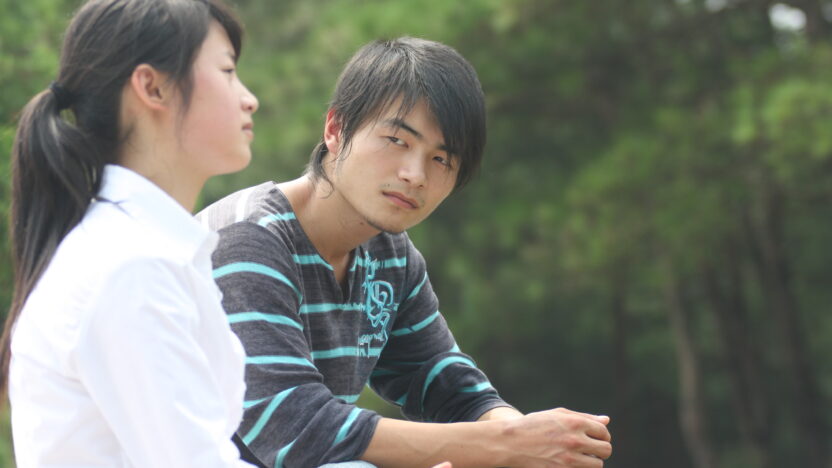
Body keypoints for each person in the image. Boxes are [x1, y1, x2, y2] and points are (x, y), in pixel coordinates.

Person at [199, 37, 613, 468]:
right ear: (336, 130)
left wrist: (526, 440)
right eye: (397, 140)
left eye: (441, 160)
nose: (415, 175)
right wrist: (505, 442)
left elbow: (441, 380)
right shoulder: (248, 239)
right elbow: (297, 427)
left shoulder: (389, 255)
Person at [0, 0, 260, 466]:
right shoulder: (133, 266)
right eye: (226, 71)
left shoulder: (139, 250)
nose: (249, 99)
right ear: (152, 87)